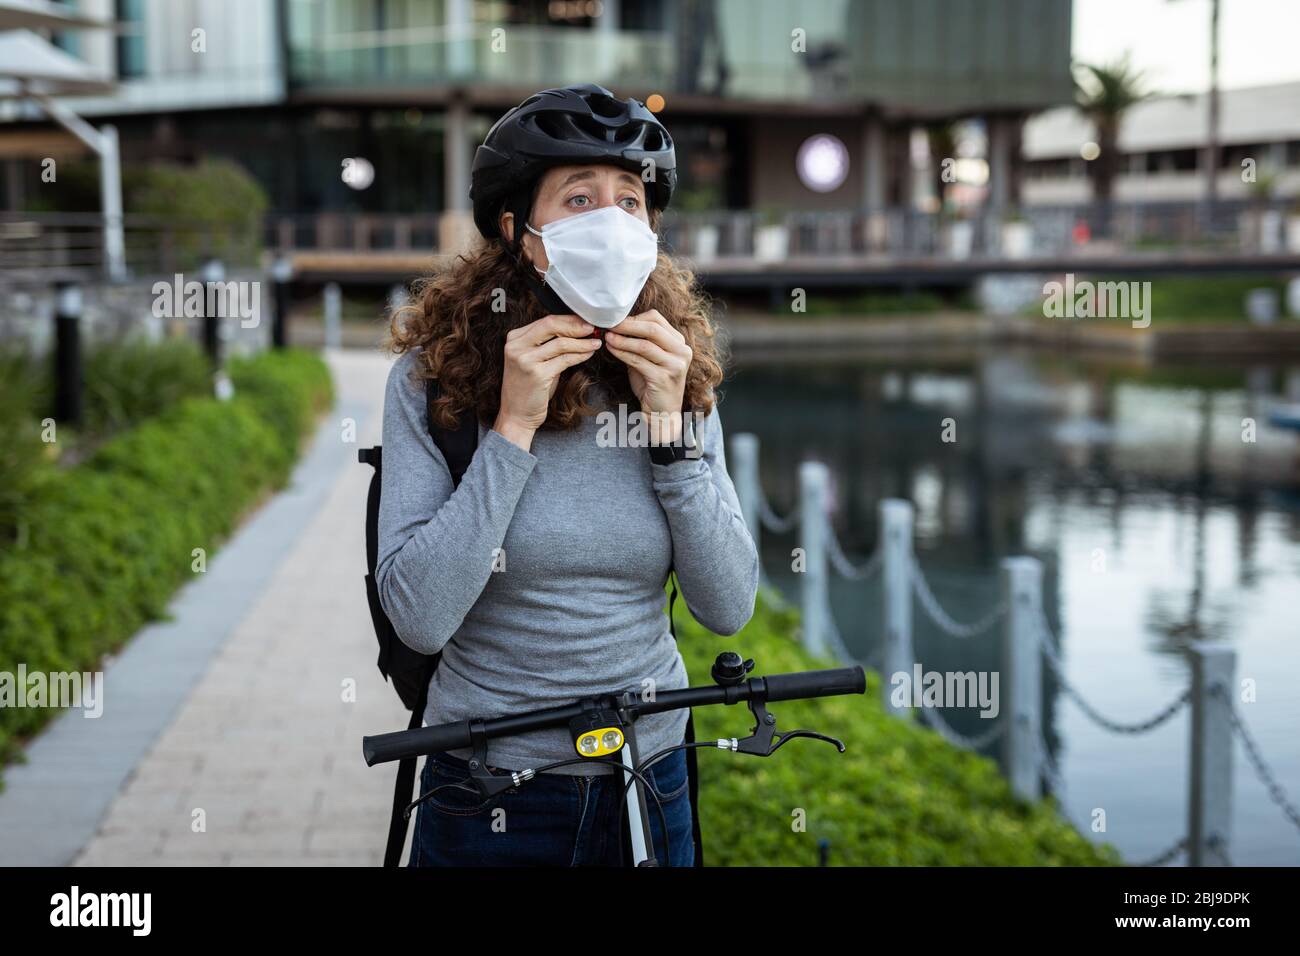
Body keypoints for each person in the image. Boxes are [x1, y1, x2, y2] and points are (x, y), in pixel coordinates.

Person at [377, 83, 759, 866]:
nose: (613, 222)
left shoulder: (676, 373)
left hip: (649, 781)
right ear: (523, 232)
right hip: (488, 787)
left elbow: (728, 607)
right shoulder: (432, 380)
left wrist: (669, 430)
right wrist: (512, 428)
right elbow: (418, 616)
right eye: (580, 198)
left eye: (630, 201)